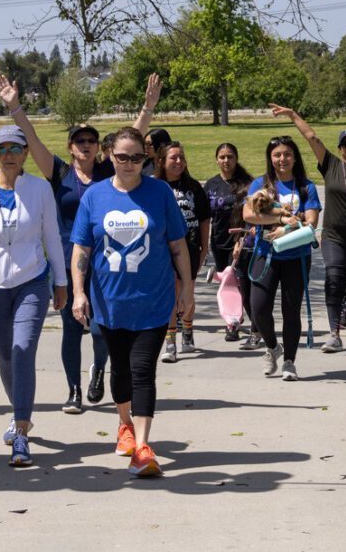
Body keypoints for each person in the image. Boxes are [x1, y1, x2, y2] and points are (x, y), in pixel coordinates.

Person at [0, 73, 162, 413]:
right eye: (79, 140)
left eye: (91, 140)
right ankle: (73, 390)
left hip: (107, 264)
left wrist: (148, 107)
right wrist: (14, 107)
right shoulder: (58, 173)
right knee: (72, 328)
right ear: (70, 147)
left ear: (99, 148)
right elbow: (33, 140)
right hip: (67, 263)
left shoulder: (107, 174)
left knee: (101, 331)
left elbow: (133, 137)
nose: (85, 144)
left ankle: (99, 368)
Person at [70, 127, 194, 477]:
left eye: (136, 157)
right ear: (109, 155)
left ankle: (142, 446)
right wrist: (79, 292)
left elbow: (177, 244)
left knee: (143, 370)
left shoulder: (160, 193)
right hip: (109, 303)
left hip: (154, 302)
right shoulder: (94, 197)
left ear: (146, 159)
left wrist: (187, 288)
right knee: (120, 370)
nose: (128, 163)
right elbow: (82, 248)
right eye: (122, 157)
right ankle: (123, 423)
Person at [0, 125, 68, 467]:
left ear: (25, 154)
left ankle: (21, 431)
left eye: (15, 149)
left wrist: (61, 281)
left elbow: (52, 236)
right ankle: (18, 411)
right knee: (6, 358)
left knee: (22, 351)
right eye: (2, 149)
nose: (9, 155)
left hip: (32, 281)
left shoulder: (39, 190)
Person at [269, 107, 346, 352]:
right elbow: (312, 137)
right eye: (345, 144)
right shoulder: (331, 164)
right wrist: (293, 116)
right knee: (334, 280)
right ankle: (334, 333)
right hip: (333, 237)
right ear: (340, 148)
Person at [243, 136, 321, 380]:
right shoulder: (261, 184)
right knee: (258, 308)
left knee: (291, 310)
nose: (282, 159)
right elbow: (248, 214)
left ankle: (289, 361)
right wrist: (280, 219)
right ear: (270, 158)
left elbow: (311, 223)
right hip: (265, 255)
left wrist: (286, 229)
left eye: (287, 154)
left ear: (295, 157)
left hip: (296, 258)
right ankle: (272, 346)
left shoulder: (306, 187)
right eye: (277, 155)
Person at [155, 141, 211, 361]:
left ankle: (187, 330)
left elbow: (205, 219)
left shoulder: (194, 187)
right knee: (170, 294)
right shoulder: (154, 186)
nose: (178, 162)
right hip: (162, 248)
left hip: (190, 246)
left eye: (181, 157)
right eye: (173, 158)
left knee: (187, 290)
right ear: (161, 161)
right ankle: (170, 342)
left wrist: (205, 247)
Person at [203, 143, 254, 342]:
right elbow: (206, 216)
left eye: (230, 157)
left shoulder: (248, 183)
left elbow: (252, 216)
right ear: (217, 159)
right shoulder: (211, 184)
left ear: (236, 158)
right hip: (219, 242)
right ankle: (232, 322)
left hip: (242, 242)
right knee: (227, 284)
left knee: (243, 283)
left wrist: (241, 239)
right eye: (222, 157)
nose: (226, 161)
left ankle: (256, 325)